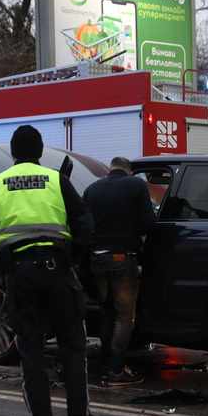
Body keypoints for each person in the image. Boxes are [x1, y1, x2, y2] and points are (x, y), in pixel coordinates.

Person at [0, 125, 105, 416]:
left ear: (14, 154)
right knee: (72, 346)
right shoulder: (56, 179)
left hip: (19, 275)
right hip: (58, 270)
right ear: (40, 151)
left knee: (30, 349)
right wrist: (72, 256)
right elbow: (85, 222)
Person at [82, 156, 155, 385]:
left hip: (96, 259)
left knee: (107, 314)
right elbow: (148, 224)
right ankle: (116, 371)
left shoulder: (92, 189)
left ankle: (107, 366)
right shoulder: (136, 185)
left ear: (110, 169)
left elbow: (84, 225)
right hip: (123, 258)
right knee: (124, 318)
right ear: (130, 172)